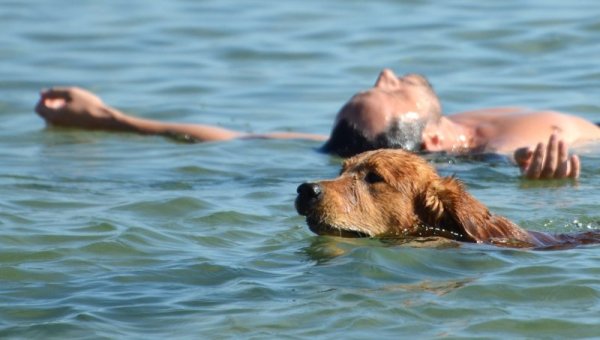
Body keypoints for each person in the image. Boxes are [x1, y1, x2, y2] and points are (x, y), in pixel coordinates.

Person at [35, 69, 600, 179]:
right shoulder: (508, 149)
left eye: (380, 85)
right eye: (390, 90)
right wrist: (538, 184)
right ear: (429, 140)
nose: (386, 73)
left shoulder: (422, 140)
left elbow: (244, 138)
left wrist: (112, 119)